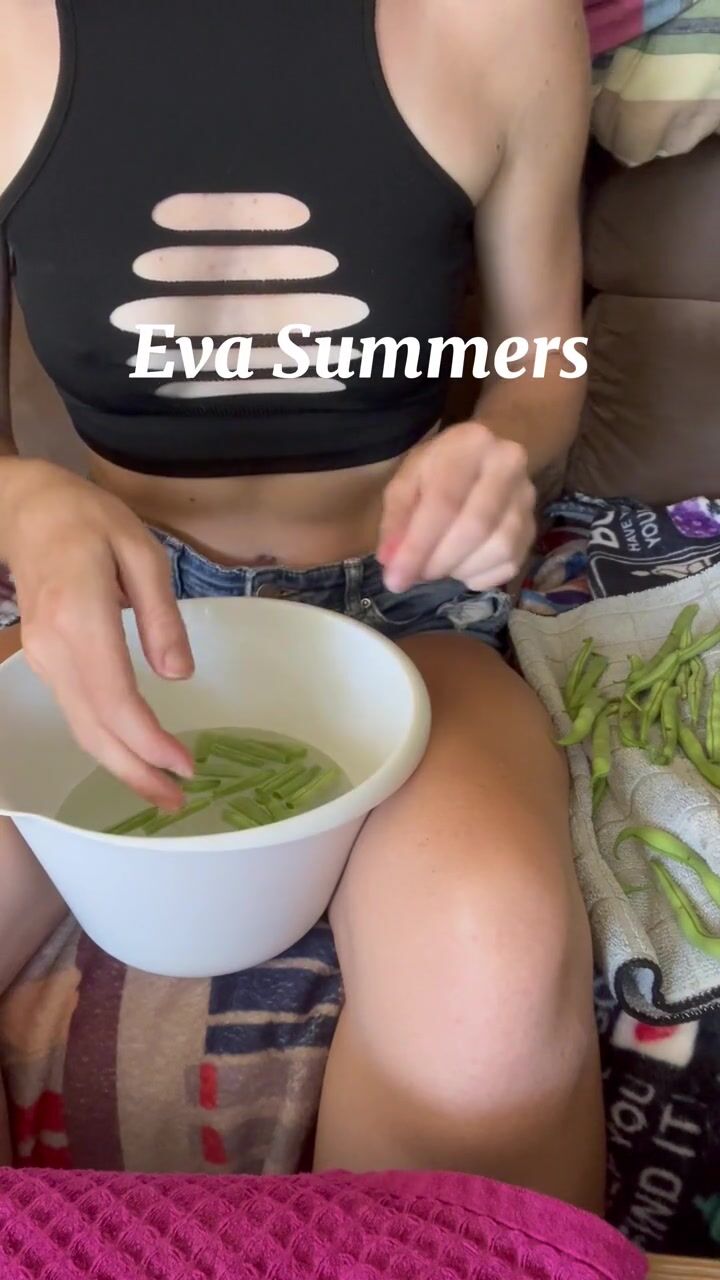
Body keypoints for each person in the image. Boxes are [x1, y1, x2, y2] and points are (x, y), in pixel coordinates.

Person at [0, 0, 604, 1208]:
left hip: (407, 613)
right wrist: (22, 500)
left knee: (490, 962)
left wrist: (502, 449)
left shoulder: (501, 22)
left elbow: (546, 359)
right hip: (121, 620)